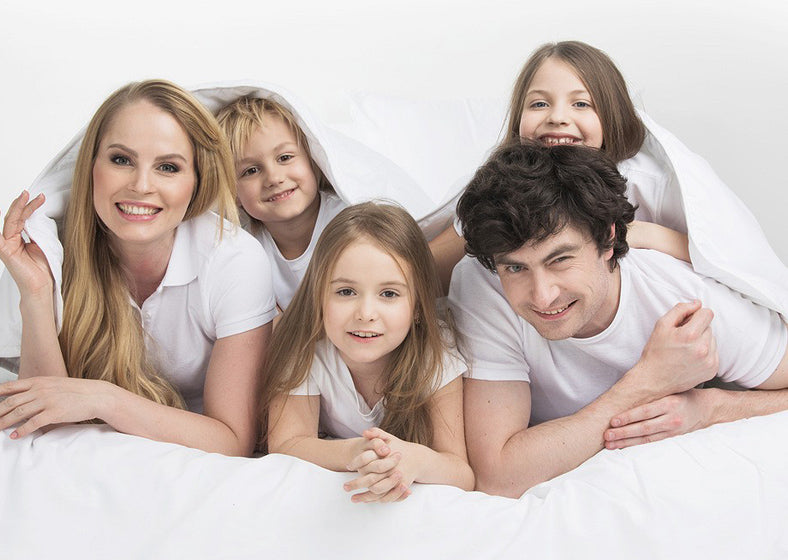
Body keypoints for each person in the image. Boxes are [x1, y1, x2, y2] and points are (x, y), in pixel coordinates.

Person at [449, 142, 788, 498]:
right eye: (515, 268)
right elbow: (499, 477)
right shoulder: (482, 286)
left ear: (608, 237)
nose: (542, 296)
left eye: (560, 259)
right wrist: (646, 383)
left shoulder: (681, 296)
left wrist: (713, 408)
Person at [0, 80, 276, 456]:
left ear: (196, 182)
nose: (141, 185)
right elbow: (45, 421)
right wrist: (35, 293)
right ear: (91, 166)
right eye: (121, 160)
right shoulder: (54, 249)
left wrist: (104, 400)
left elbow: (232, 442)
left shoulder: (234, 260)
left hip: (193, 451)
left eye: (168, 167)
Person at [432, 41, 788, 314]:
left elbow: (717, 255)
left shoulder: (648, 184)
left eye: (581, 104)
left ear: (612, 114)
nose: (557, 117)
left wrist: (644, 234)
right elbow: (440, 261)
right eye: (539, 104)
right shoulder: (504, 189)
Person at [263, 202, 473, 503]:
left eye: (389, 294)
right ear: (319, 295)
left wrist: (414, 460)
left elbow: (461, 473)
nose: (365, 313)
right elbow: (286, 443)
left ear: (416, 307)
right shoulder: (305, 345)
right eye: (346, 292)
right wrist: (355, 453)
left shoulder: (437, 352)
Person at [216, 96, 346, 310]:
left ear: (314, 158)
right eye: (251, 171)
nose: (274, 178)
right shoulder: (245, 248)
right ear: (233, 193)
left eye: (285, 157)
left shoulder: (348, 223)